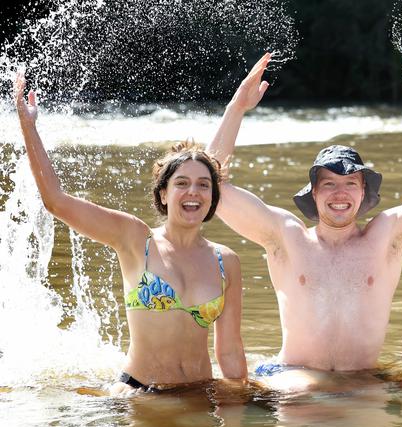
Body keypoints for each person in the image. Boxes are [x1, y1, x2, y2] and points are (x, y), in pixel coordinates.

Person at [206, 51, 402, 386]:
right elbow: (213, 187)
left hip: (364, 379)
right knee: (301, 395)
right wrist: (236, 109)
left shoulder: (387, 235)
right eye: (328, 184)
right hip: (293, 377)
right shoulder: (286, 236)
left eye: (349, 184)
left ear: (364, 193)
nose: (339, 194)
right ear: (313, 194)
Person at [14, 71, 247, 395]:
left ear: (212, 197)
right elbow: (56, 201)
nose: (193, 192)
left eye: (203, 185)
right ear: (164, 194)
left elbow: (231, 352)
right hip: (140, 393)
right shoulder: (136, 240)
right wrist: (28, 126)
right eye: (182, 183)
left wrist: (234, 425)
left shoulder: (226, 261)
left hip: (199, 394)